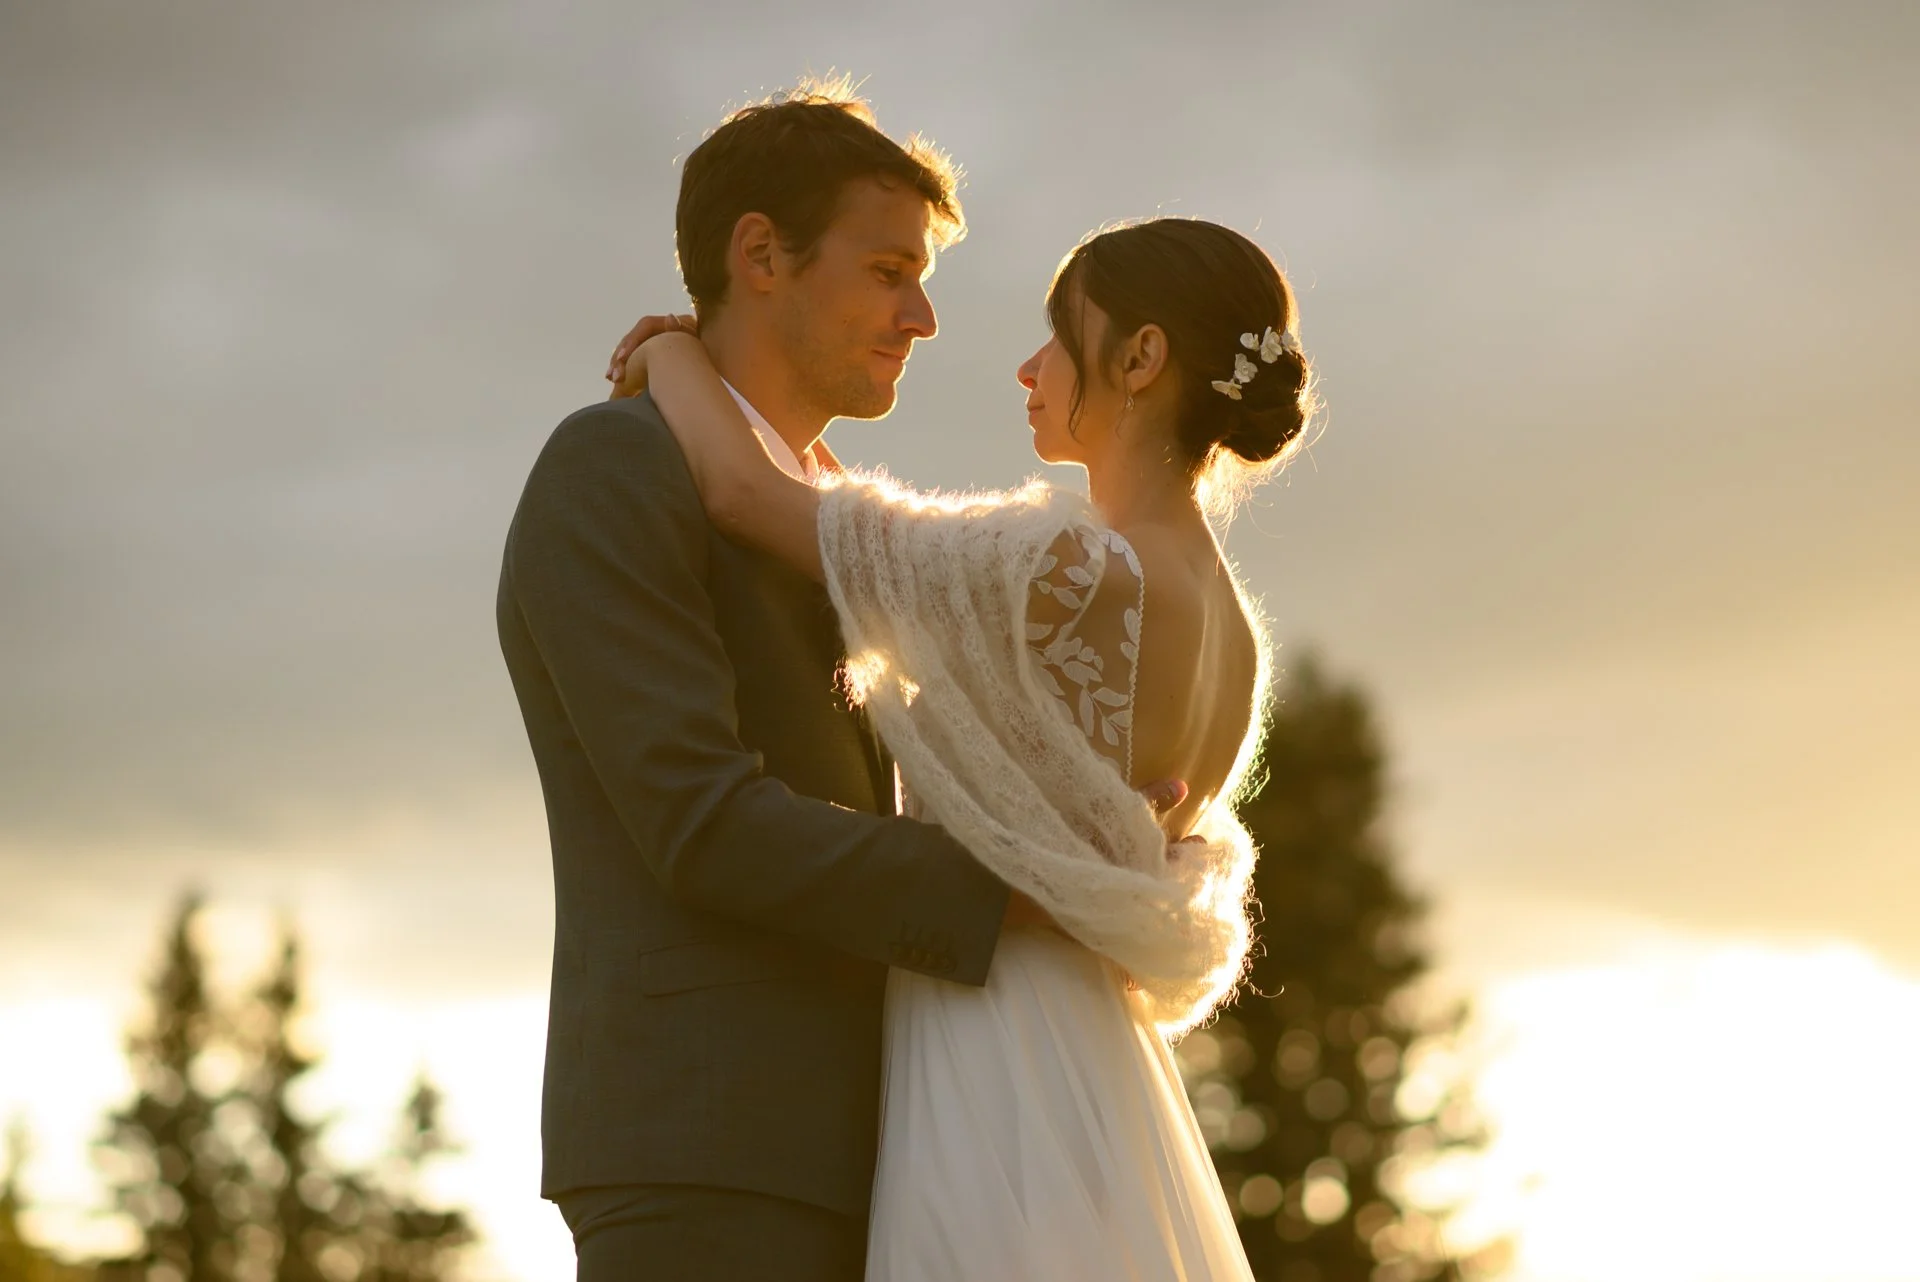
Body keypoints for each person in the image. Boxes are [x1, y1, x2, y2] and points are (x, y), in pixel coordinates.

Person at [497, 80, 1185, 1281]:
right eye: (886, 271)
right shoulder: (611, 469)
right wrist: (1023, 882)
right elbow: (698, 819)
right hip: (713, 1141)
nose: (922, 315)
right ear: (760, 254)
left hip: (893, 1141)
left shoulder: (827, 513)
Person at [615, 212, 1314, 1279]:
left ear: (1140, 357)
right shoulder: (1233, 627)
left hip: (993, 1036)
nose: (1030, 367)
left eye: (1059, 335)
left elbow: (747, 497)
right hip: (1103, 1061)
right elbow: (861, 549)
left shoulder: (1065, 564)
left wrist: (668, 351)